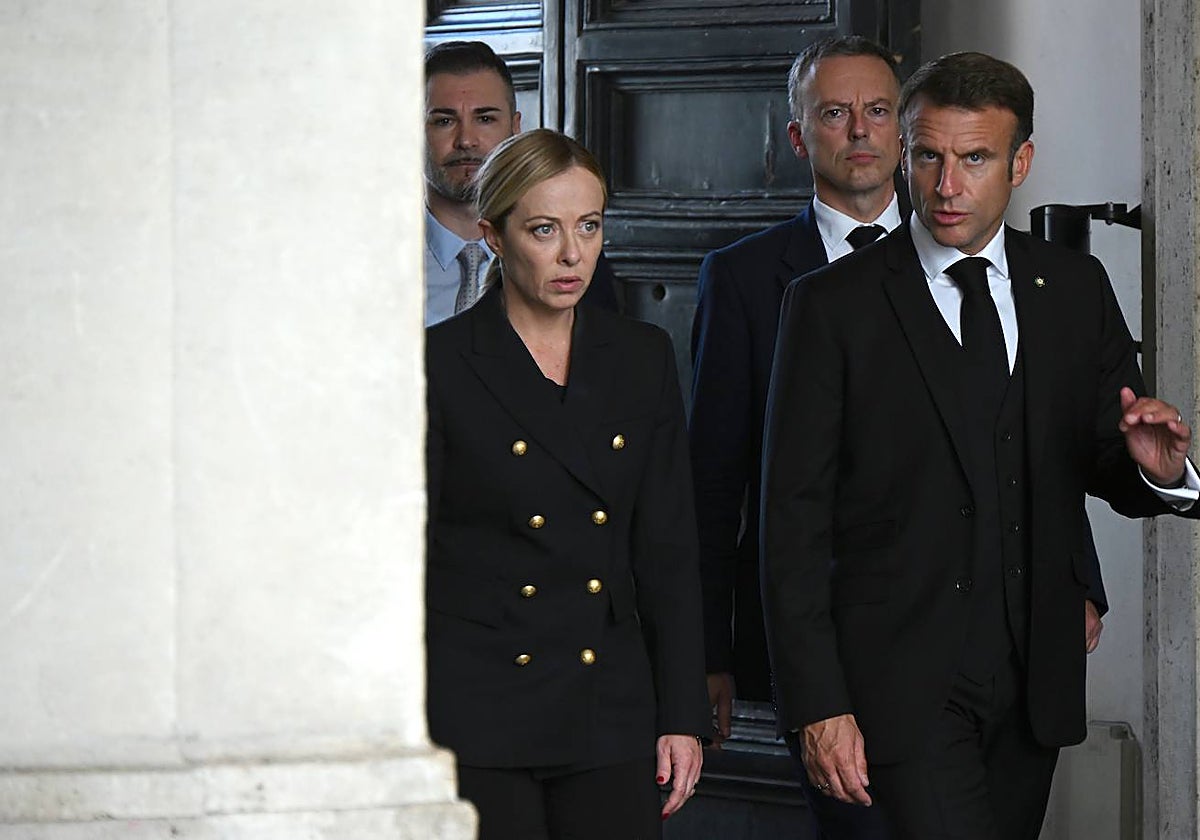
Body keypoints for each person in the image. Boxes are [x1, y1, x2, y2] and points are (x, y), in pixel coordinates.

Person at [760, 50, 1199, 840]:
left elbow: (1101, 457)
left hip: (1033, 681)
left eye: (974, 159)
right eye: (927, 157)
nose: (946, 185)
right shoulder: (831, 306)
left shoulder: (1072, 288)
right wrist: (818, 703)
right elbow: (790, 523)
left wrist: (1159, 473)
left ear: (1019, 162)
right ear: (906, 154)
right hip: (898, 684)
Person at [689, 36, 1105, 837]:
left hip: (1020, 666)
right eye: (837, 114)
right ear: (798, 135)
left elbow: (1042, 449)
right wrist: (742, 663)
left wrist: (1082, 570)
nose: (861, 132)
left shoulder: (1059, 283)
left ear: (1017, 166)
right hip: (876, 660)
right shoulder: (784, 291)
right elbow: (742, 492)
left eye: (877, 111)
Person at [425, 127, 709, 839]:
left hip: (608, 702)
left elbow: (668, 550)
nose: (573, 253)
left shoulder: (642, 357)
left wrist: (681, 715)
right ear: (493, 234)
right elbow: (407, 557)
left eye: (589, 226)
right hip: (480, 702)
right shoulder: (441, 363)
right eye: (544, 230)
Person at [424, 41, 616, 326]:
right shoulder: (362, 263)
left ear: (515, 128)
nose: (466, 140)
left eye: (485, 118)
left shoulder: (576, 269)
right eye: (443, 121)